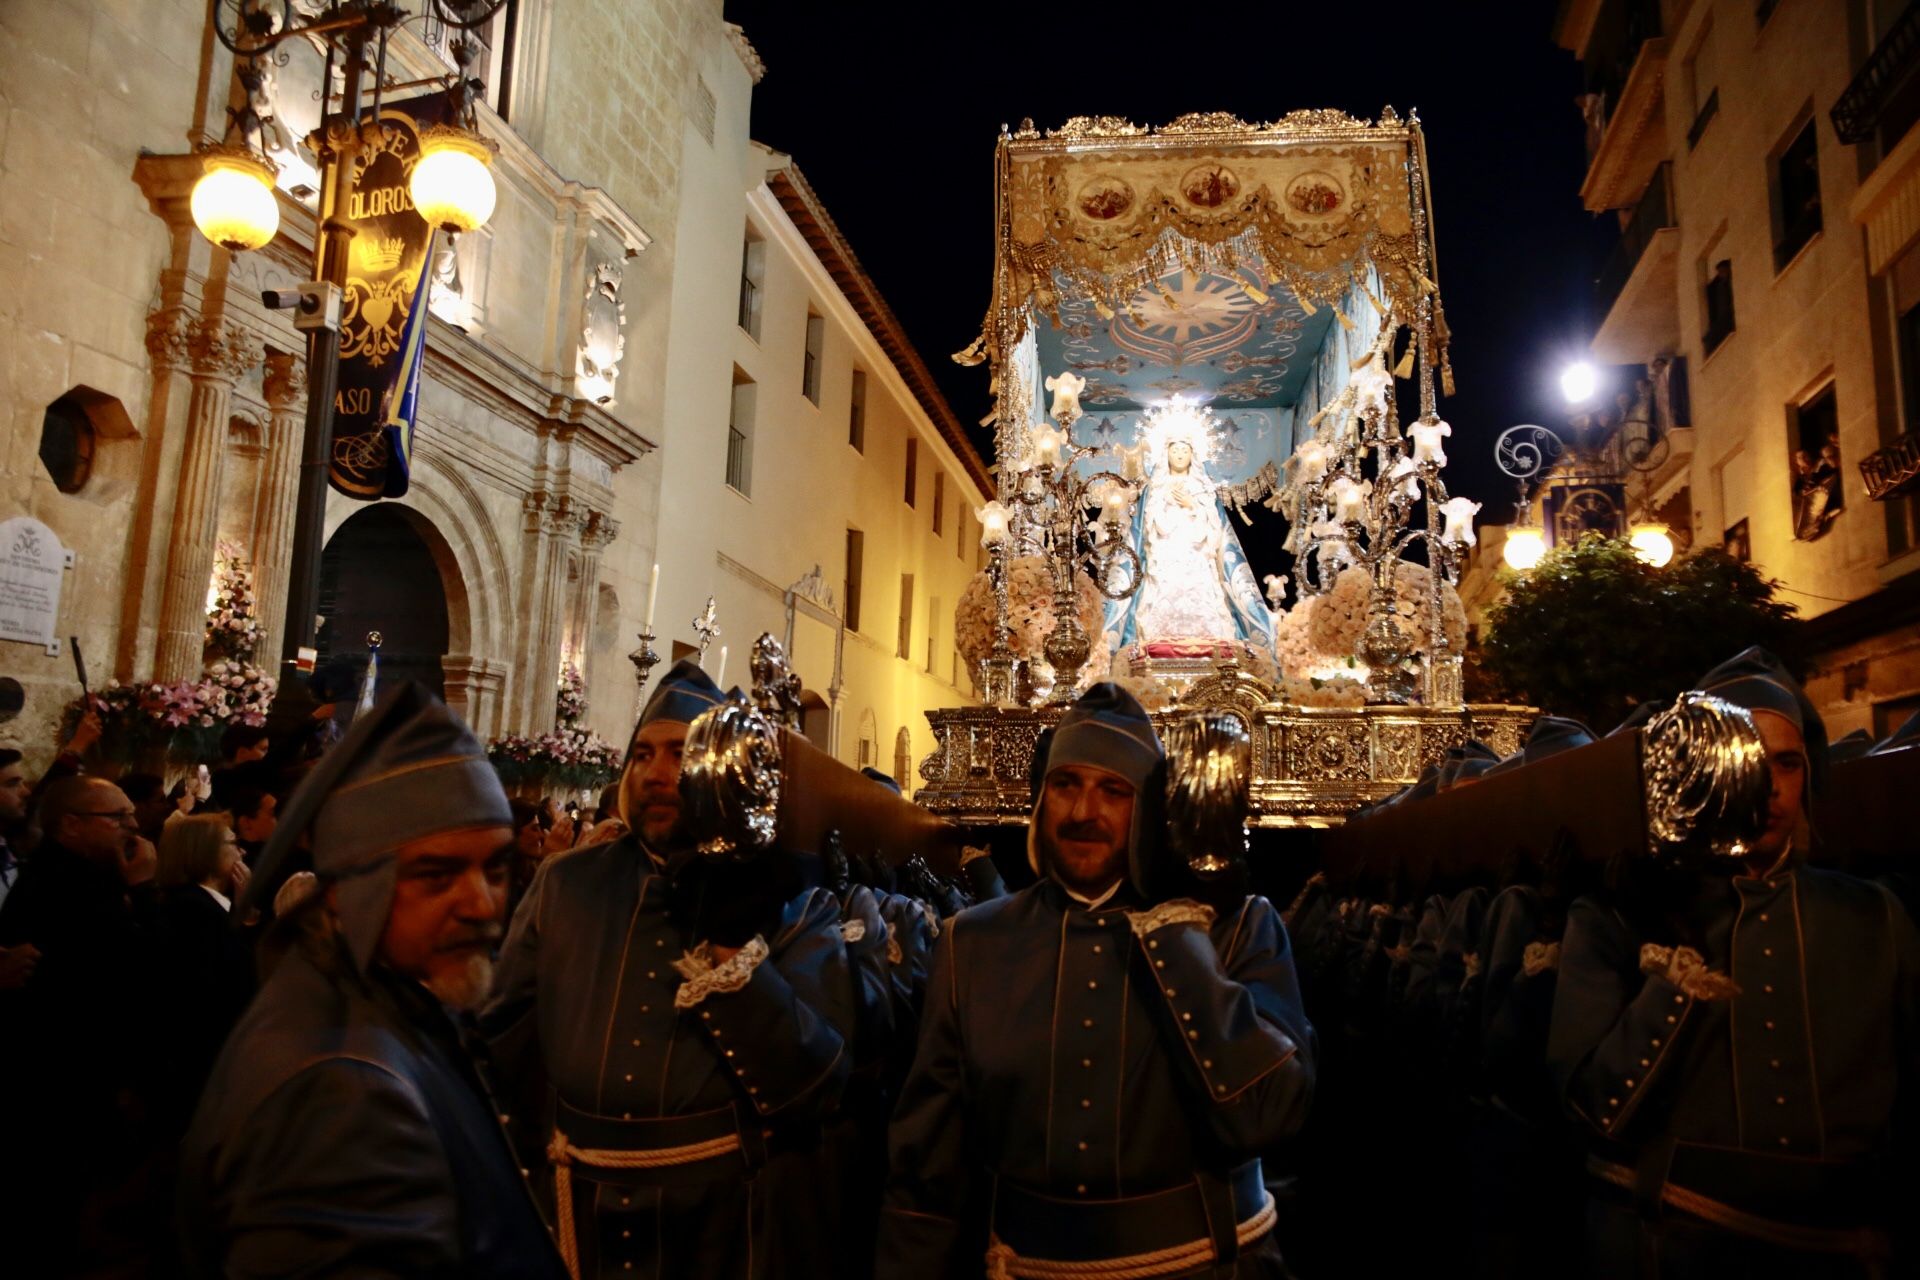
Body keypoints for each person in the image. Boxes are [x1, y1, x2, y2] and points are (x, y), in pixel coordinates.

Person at [878, 684, 1317, 1278]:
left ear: (1149, 810)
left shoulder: (1239, 931)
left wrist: (1178, 927)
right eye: (1066, 786)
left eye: (1114, 790)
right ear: (1041, 798)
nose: (1084, 813)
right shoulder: (972, 944)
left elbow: (1269, 1115)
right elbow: (926, 1174)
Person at [1547, 647, 1920, 1276]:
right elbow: (1588, 1111)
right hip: (1672, 1250)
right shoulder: (1617, 914)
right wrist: (1676, 965)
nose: (1769, 787)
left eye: (1788, 763)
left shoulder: (1875, 916)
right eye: (1745, 762)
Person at [177, 681, 564, 1279]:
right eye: (437, 874)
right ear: (348, 887)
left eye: (495, 868)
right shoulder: (342, 1090)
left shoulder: (382, 997)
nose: (482, 905)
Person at [483, 659, 856, 1279]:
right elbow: (500, 1047)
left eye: (680, 754)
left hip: (721, 1224)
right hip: (578, 1212)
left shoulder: (796, 905)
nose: (657, 774)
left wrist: (736, 954)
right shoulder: (565, 883)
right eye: (642, 755)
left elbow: (816, 1087)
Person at [0, 775, 160, 1273]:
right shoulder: (61, 885)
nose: (132, 827)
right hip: (60, 1080)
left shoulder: (89, 873)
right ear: (71, 824)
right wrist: (145, 892)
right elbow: (139, 971)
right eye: (118, 818)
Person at [1105, 422, 1277, 655]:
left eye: (1184, 450)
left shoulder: (1204, 488)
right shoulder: (1155, 488)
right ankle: (1156, 652)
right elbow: (1147, 529)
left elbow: (1215, 530)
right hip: (1164, 556)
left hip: (1197, 556)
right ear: (1165, 454)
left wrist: (1192, 506)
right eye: (1174, 450)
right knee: (1160, 603)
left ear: (1192, 455)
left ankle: (1212, 653)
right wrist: (1165, 510)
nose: (1179, 455)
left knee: (1204, 605)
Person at [150, 812, 257, 1137]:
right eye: (232, 844)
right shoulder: (193, 911)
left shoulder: (208, 907)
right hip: (209, 1061)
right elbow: (227, 982)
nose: (242, 852)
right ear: (203, 852)